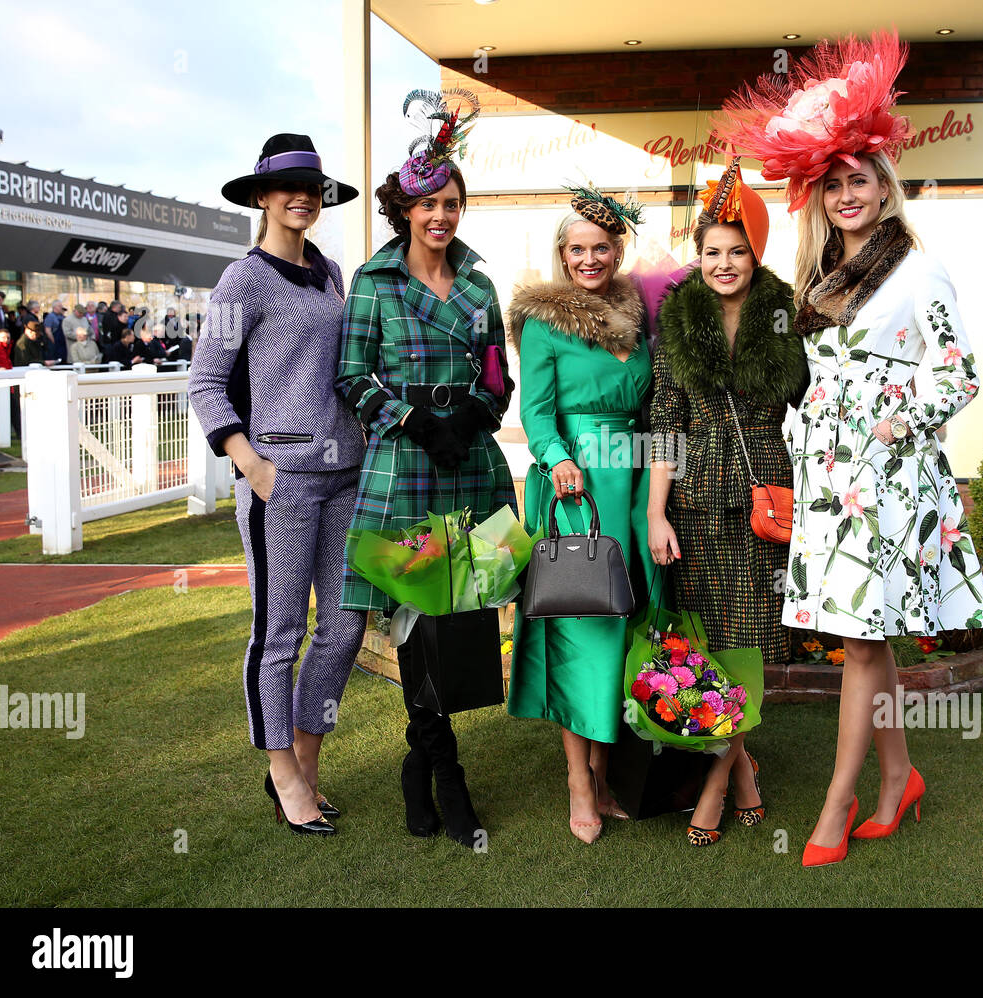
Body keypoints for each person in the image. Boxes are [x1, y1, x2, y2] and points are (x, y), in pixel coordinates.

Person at [718, 30, 983, 866]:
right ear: (820, 193)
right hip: (829, 473)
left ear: (884, 183)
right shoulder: (816, 275)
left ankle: (839, 802)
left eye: (860, 180)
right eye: (833, 184)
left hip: (888, 474)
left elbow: (960, 374)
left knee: (862, 638)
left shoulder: (917, 270)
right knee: (860, 633)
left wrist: (895, 418)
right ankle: (898, 776)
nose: (847, 195)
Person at [336, 94, 514, 849]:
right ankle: (447, 774)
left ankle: (418, 766)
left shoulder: (479, 284)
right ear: (404, 209)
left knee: (463, 609)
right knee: (412, 615)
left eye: (451, 203)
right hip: (404, 464)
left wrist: (470, 417)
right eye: (428, 203)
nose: (440, 215)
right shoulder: (373, 282)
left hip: (468, 461)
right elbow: (352, 377)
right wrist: (413, 421)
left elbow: (499, 374)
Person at [190, 133, 366, 837]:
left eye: (312, 187)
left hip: (345, 474)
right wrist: (252, 464)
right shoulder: (243, 280)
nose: (302, 197)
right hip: (282, 482)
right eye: (288, 186)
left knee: (345, 627)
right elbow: (206, 381)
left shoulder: (330, 273)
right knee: (280, 633)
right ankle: (284, 773)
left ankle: (307, 756)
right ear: (262, 196)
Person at [647, 160, 806, 846]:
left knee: (750, 645)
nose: (723, 263)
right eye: (712, 251)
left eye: (737, 250)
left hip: (763, 496)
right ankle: (741, 775)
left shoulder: (786, 313)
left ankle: (715, 787)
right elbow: (664, 423)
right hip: (693, 499)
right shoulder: (678, 318)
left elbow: (818, 400)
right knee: (709, 645)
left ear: (755, 252)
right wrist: (655, 513)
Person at [506, 183, 652, 845]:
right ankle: (578, 781)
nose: (589, 259)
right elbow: (535, 412)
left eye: (601, 247)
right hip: (577, 489)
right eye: (577, 250)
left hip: (634, 483)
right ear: (562, 256)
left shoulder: (637, 316)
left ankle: (604, 771)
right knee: (582, 627)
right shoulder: (545, 321)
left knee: (623, 626)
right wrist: (558, 457)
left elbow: (652, 410)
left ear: (617, 250)